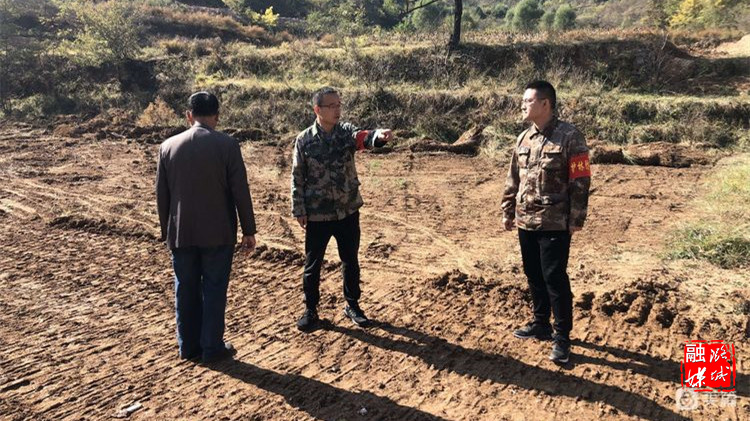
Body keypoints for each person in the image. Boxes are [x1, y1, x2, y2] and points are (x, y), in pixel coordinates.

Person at [156, 92, 257, 363]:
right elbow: (240, 191)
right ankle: (211, 348)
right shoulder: (227, 145)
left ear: (188, 115)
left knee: (185, 288)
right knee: (214, 289)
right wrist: (248, 229)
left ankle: (188, 347)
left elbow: (162, 195)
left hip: (181, 233)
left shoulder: (167, 146)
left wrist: (166, 231)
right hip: (218, 232)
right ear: (217, 116)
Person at [501, 80, 591, 364]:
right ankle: (540, 323)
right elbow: (513, 177)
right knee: (533, 274)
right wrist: (508, 210)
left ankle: (562, 337)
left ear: (545, 104)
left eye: (528, 101)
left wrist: (576, 217)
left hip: (554, 221)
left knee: (554, 278)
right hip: (526, 219)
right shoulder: (523, 138)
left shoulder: (570, 136)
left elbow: (581, 180)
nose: (523, 105)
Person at [291, 86, 393, 331]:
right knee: (313, 265)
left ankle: (353, 305)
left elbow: (362, 138)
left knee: (350, 261)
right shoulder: (304, 140)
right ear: (318, 109)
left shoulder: (345, 132)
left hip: (347, 211)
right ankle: (310, 310)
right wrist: (299, 209)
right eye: (331, 106)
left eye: (339, 105)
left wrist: (378, 137)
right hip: (318, 214)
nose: (337, 110)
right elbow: (297, 176)